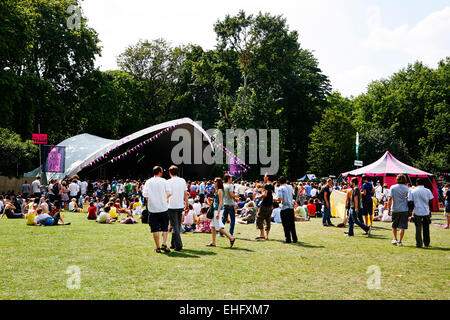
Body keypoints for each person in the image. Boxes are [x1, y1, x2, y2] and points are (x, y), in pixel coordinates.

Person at [143, 166, 172, 253]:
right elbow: (170, 192)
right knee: (165, 227)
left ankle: (157, 247)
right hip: (163, 207)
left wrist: (149, 202)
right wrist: (164, 198)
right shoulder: (164, 181)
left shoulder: (148, 182)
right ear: (160, 172)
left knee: (154, 228)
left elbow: (145, 194)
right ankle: (164, 243)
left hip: (153, 208)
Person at [206, 178, 236, 248]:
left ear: (218, 183)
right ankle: (213, 242)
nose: (214, 182)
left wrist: (218, 212)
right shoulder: (217, 190)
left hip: (218, 210)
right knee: (213, 226)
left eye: (215, 181)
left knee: (218, 227)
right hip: (216, 209)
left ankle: (231, 238)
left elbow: (220, 202)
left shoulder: (219, 190)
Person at [167, 165, 188, 251]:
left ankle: (178, 245)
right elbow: (185, 194)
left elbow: (168, 193)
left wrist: (164, 199)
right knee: (177, 225)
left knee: (174, 225)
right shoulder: (182, 180)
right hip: (180, 205)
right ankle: (173, 244)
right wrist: (187, 204)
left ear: (170, 173)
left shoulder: (168, 182)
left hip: (172, 205)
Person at [408, 178, 434, 248]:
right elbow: (431, 201)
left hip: (417, 211)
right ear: (424, 183)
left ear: (416, 183)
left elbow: (410, 202)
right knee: (426, 228)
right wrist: (430, 211)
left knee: (418, 228)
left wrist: (411, 211)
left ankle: (419, 243)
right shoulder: (428, 190)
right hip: (426, 211)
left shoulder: (413, 191)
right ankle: (427, 242)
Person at [387, 174, 409, 247]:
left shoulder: (393, 187)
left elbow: (390, 199)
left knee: (394, 225)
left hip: (395, 208)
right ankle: (400, 241)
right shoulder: (407, 188)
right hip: (404, 209)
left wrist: (388, 208)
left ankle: (395, 238)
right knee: (402, 226)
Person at [277, 176, 297, 243]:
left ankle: (288, 239)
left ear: (279, 182)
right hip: (291, 207)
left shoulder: (280, 188)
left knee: (286, 225)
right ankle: (295, 239)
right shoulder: (290, 187)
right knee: (292, 224)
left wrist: (274, 199)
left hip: (284, 208)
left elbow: (280, 199)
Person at [255, 174, 274, 240]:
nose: (264, 177)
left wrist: (258, 197)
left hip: (265, 204)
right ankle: (267, 236)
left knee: (259, 218)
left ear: (267, 177)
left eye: (264, 176)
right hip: (270, 204)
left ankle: (262, 234)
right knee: (268, 220)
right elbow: (270, 195)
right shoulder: (272, 185)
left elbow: (265, 194)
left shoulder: (266, 185)